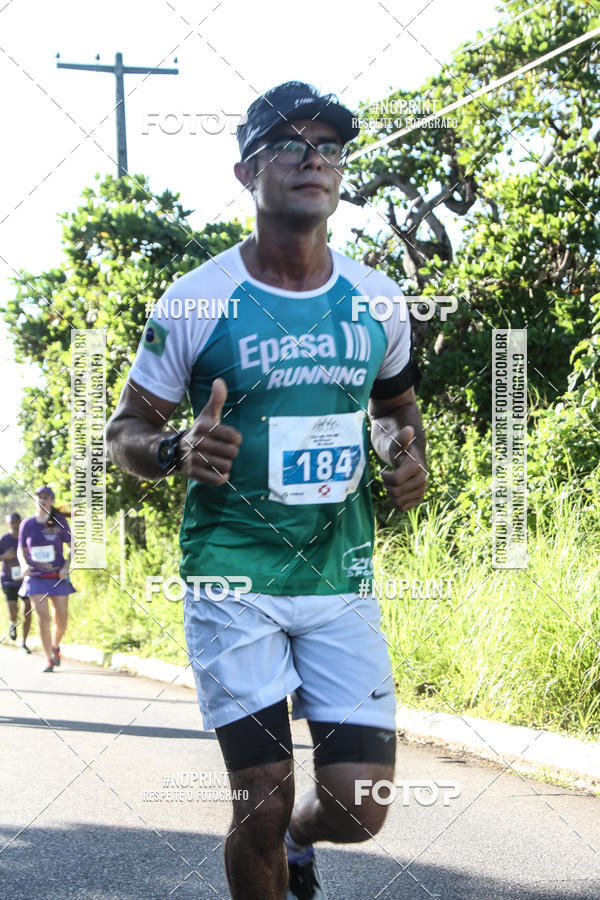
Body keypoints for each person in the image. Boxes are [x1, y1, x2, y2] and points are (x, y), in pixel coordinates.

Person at [106, 80, 427, 900]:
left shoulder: (377, 299)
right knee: (262, 799)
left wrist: (402, 456)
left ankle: (299, 842)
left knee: (362, 802)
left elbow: (394, 411)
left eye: (328, 146)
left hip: (338, 573)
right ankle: (275, 839)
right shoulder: (197, 300)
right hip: (233, 575)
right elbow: (123, 437)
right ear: (247, 173)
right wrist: (175, 447)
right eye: (289, 144)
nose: (313, 159)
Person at [18, 486, 75, 672]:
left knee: (62, 619)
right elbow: (21, 550)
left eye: (46, 498)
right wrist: (24, 565)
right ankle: (49, 658)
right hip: (36, 578)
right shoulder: (27, 524)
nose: (43, 501)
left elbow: (72, 546)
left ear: (51, 501)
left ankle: (55, 646)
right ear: (34, 500)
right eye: (39, 498)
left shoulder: (59, 521)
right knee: (43, 618)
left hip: (57, 577)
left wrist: (67, 566)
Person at [0, 512, 32, 652]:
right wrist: (5, 556)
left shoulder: (26, 538)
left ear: (20, 522)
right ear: (7, 524)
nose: (14, 524)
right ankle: (12, 623)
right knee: (13, 611)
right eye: (11, 522)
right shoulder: (4, 539)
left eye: (17, 521)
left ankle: (23, 642)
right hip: (8, 579)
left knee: (28, 610)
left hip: (26, 579)